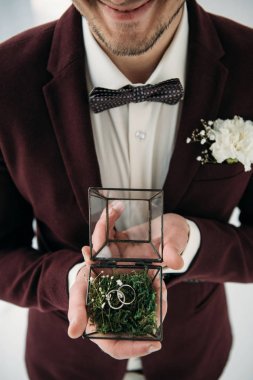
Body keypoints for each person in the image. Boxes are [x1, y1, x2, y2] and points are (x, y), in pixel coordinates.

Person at [0, 0, 253, 379]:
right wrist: (69, 283)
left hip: (195, 356)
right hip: (64, 363)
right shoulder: (6, 78)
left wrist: (197, 244)